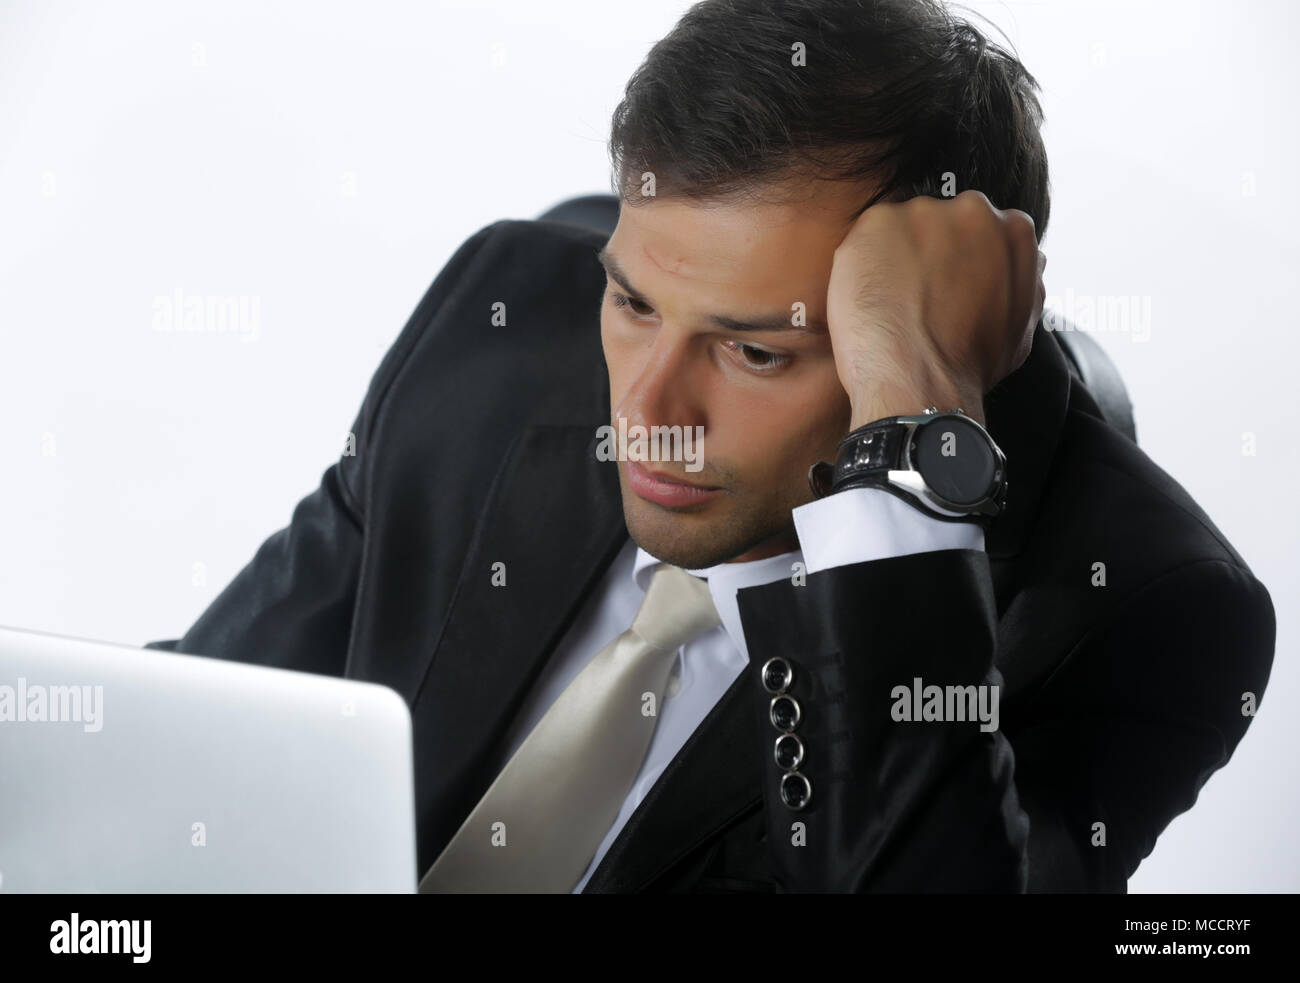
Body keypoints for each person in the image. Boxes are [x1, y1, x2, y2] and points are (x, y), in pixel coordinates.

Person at [146, 0, 1275, 892]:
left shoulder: (1146, 612)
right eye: (633, 305)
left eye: (755, 353)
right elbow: (193, 734)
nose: (646, 407)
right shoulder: (500, 326)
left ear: (934, 345)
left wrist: (910, 461)